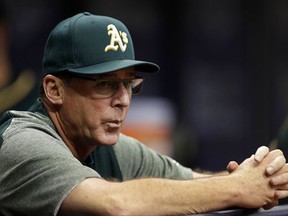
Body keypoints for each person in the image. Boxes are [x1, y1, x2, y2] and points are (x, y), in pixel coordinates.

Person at [0, 12, 288, 216]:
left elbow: (187, 183)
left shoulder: (110, 148)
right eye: (105, 84)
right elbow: (115, 204)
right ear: (55, 90)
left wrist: (260, 177)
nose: (123, 100)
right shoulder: (23, 144)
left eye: (128, 84)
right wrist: (238, 189)